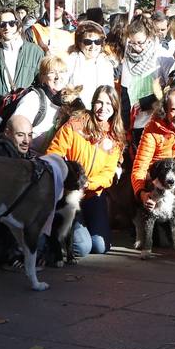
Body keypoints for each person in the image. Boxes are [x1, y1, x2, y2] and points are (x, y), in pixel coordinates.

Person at [46, 87, 127, 256]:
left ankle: (81, 229)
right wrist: (70, 181)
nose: (103, 108)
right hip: (70, 193)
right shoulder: (75, 125)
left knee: (100, 246)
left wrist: (89, 184)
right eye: (99, 102)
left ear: (115, 107)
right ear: (93, 103)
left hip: (93, 195)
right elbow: (53, 154)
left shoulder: (115, 136)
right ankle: (59, 240)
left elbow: (108, 173)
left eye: (108, 104)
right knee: (82, 248)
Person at [8, 55, 69, 152]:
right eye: (52, 72)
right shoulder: (33, 99)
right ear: (42, 77)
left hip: (48, 159)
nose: (58, 77)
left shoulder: (67, 103)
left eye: (61, 72)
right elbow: (14, 130)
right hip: (27, 159)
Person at [0, 6, 44, 101]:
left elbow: (41, 83)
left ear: (18, 24)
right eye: (2, 24)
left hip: (24, 109)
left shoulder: (35, 51)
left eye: (11, 23)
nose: (7, 27)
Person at [64, 21, 116, 103]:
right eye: (88, 42)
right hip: (77, 110)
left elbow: (110, 93)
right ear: (79, 43)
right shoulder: (70, 62)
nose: (93, 46)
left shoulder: (107, 64)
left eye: (97, 42)